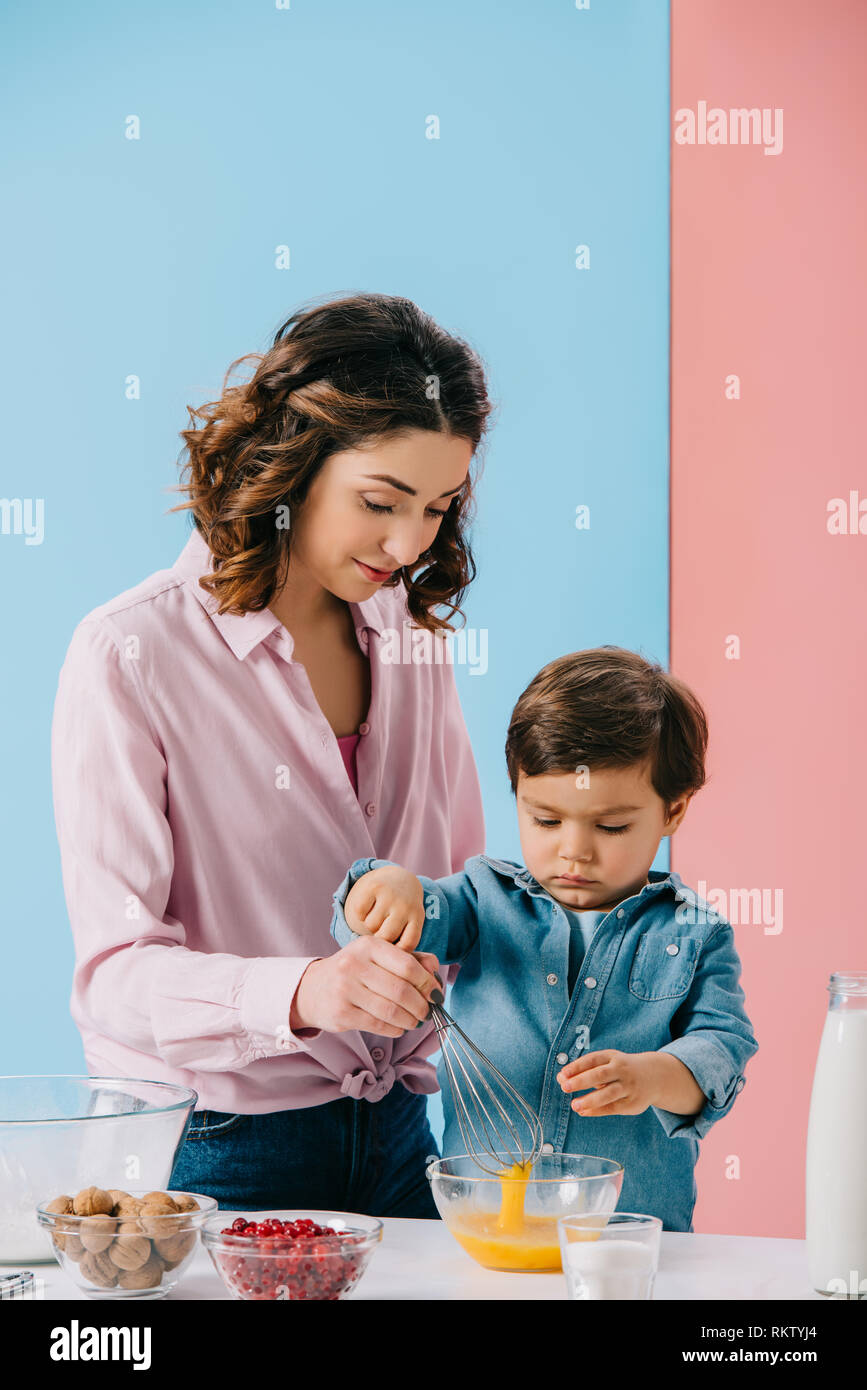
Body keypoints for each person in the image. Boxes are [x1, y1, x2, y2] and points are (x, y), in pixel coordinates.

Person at [50, 291, 495, 1216]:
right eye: (380, 501)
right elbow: (114, 975)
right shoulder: (131, 651)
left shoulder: (412, 639)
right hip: (217, 1150)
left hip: (404, 1137)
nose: (409, 543)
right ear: (293, 462)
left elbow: (459, 892)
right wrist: (307, 992)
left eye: (438, 507)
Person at [329, 646, 759, 1231]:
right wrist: (385, 891)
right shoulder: (482, 900)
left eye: (611, 826)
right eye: (546, 820)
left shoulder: (694, 933)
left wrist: (653, 1077)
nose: (573, 851)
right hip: (484, 1230)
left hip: (626, 1235)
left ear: (673, 809)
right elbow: (414, 912)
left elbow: (722, 1049)